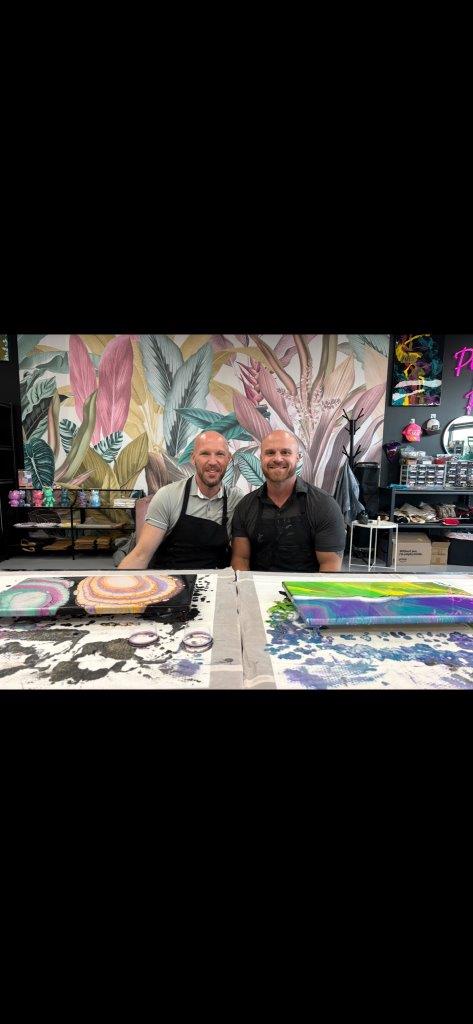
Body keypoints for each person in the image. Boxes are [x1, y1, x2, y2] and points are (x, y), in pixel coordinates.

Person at [119, 431, 244, 570]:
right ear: (193, 458)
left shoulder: (237, 500)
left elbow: (241, 557)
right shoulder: (168, 496)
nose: (212, 462)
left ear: (229, 459)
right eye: (205, 454)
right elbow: (141, 556)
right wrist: (114, 582)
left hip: (213, 580)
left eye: (220, 454)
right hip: (171, 578)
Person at [231, 430, 346, 572]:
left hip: (308, 586)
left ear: (298, 457)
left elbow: (329, 566)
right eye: (270, 453)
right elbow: (241, 560)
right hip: (257, 585)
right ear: (261, 458)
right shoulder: (245, 506)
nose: (277, 459)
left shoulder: (324, 505)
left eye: (285, 452)